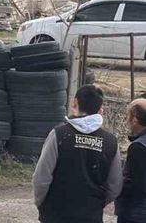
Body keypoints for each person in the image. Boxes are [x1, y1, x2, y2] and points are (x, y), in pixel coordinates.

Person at [33, 84, 122, 223]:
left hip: (55, 213)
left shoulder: (59, 134)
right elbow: (115, 185)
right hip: (90, 215)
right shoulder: (110, 141)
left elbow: (41, 177)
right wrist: (96, 204)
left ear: (75, 103)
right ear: (100, 109)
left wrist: (42, 204)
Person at [117, 98, 146, 223]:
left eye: (128, 116)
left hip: (136, 213)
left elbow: (136, 185)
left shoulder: (138, 147)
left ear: (134, 120)